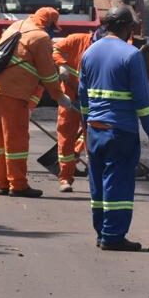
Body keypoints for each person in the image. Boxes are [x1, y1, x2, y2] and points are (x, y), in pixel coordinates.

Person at [78, 5, 149, 251]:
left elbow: (82, 96)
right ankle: (113, 236)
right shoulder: (132, 55)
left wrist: (85, 127)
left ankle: (102, 232)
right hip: (120, 131)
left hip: (95, 128)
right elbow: (142, 100)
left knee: (98, 182)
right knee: (118, 181)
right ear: (127, 28)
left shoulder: (89, 53)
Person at [0, 7, 72, 197]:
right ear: (49, 24)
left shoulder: (17, 25)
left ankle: (3, 182)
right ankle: (18, 185)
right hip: (12, 91)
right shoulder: (41, 38)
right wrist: (59, 96)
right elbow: (47, 73)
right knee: (16, 139)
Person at [52, 30, 94, 192]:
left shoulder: (108, 47)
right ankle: (65, 178)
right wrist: (62, 65)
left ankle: (94, 176)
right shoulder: (76, 40)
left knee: (92, 137)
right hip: (70, 97)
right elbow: (56, 49)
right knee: (66, 136)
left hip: (91, 99)